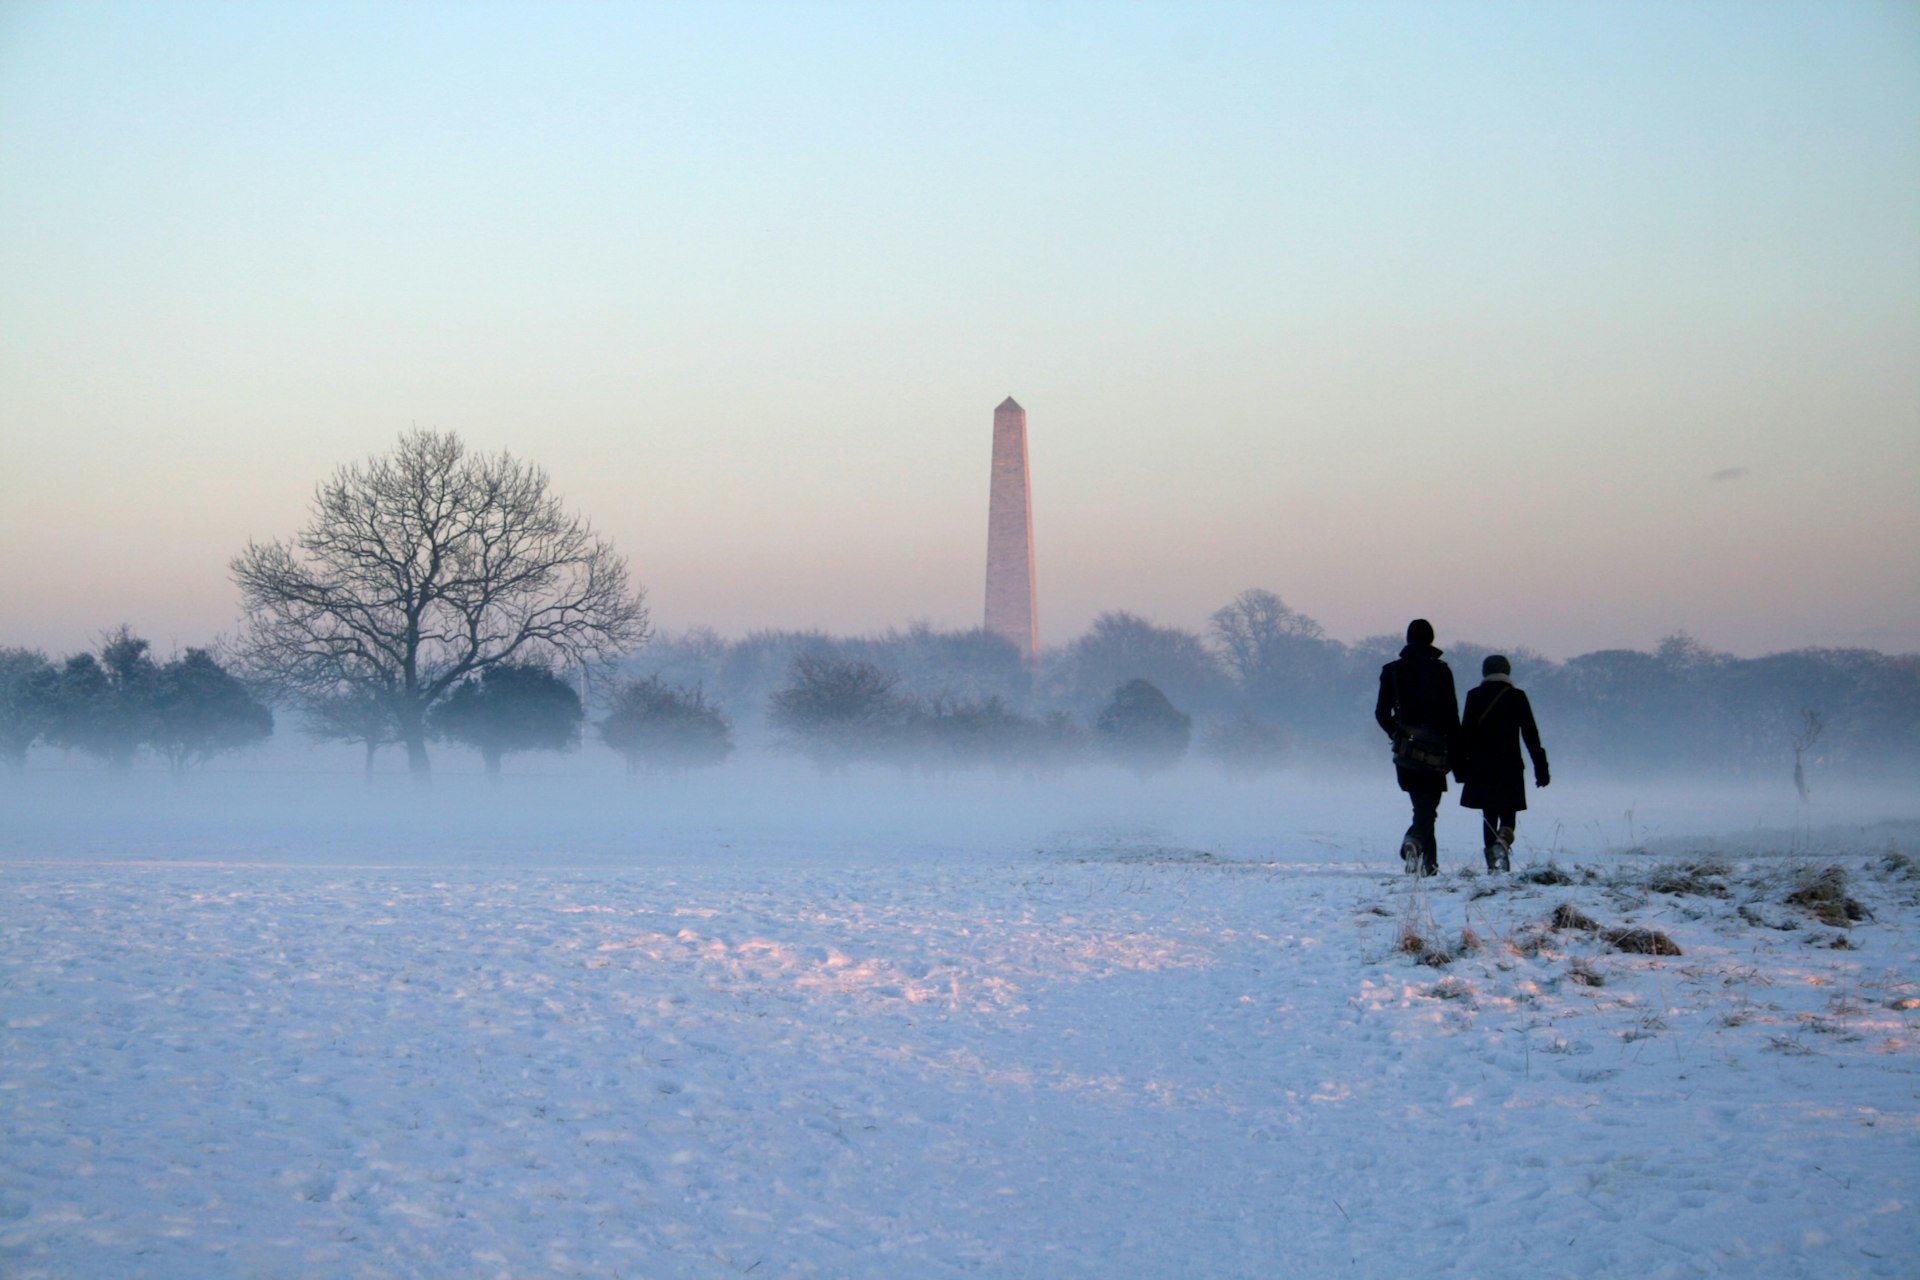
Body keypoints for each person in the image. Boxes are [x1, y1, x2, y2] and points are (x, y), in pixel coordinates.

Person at [1374, 619, 1460, 875]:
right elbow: (1452, 715)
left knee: (1422, 806)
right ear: (1431, 639)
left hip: (1406, 751)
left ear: (1408, 638)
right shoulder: (1442, 671)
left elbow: (1381, 712)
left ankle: (1428, 863)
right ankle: (1416, 844)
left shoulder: (1392, 671)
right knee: (1428, 807)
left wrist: (1396, 732)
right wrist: (1456, 751)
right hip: (1436, 750)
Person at [1454, 654, 1550, 872]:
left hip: (1481, 765)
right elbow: (1531, 735)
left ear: (1484, 672)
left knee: (1489, 814)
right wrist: (1541, 768)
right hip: (1510, 764)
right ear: (1507, 672)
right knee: (1509, 811)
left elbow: (1465, 734)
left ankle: (1492, 864)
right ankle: (1504, 839)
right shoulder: (1517, 696)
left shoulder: (1475, 696)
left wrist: (1460, 768)